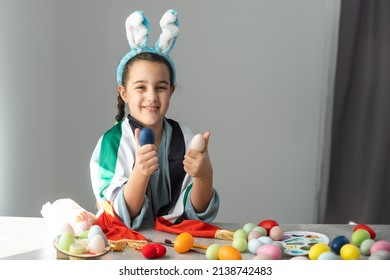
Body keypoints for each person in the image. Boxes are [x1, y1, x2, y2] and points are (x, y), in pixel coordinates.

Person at [90, 10, 219, 230]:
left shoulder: (185, 138)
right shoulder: (111, 144)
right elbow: (117, 217)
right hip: (126, 248)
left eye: (160, 87)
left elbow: (195, 215)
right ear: (124, 92)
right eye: (140, 87)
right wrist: (140, 174)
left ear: (171, 90)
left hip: (175, 247)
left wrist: (205, 177)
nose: (151, 96)